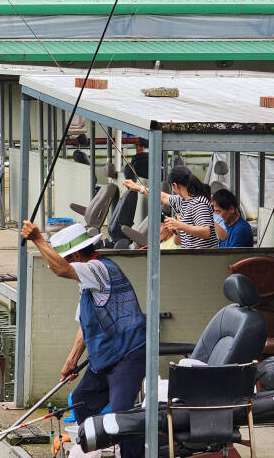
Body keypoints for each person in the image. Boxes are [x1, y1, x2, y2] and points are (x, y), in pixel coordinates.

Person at [21, 220, 146, 458]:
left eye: (65, 258)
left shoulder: (98, 269)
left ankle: (133, 454)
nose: (63, 264)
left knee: (122, 413)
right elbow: (85, 325)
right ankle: (96, 446)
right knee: (82, 399)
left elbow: (60, 269)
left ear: (76, 255)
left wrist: (38, 239)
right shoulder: (86, 283)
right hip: (105, 356)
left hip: (129, 354)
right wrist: (71, 360)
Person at [123, 165, 218, 249]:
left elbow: (206, 232)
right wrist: (139, 188)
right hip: (191, 258)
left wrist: (179, 225)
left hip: (204, 259)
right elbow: (163, 197)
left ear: (175, 185)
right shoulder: (182, 201)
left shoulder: (199, 203)